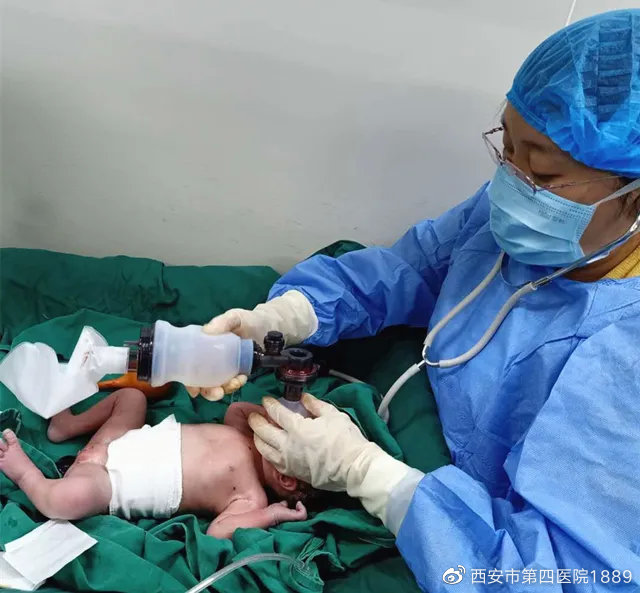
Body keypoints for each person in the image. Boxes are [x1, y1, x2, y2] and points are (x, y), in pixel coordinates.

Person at [189, 9, 640, 591]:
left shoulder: (624, 359)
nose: (511, 181)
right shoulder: (525, 218)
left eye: (544, 174)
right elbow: (413, 266)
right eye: (506, 146)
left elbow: (562, 575)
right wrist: (289, 315)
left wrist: (371, 476)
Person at [0, 390, 311, 539]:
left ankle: (25, 473)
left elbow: (219, 531)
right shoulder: (245, 432)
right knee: (132, 398)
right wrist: (278, 417)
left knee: (65, 500)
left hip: (109, 484)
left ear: (286, 479)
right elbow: (239, 409)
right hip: (112, 441)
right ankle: (68, 426)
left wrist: (270, 514)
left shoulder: (251, 497)